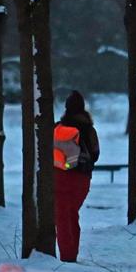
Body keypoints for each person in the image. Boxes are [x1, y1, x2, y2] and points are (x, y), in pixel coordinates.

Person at [53, 91, 100, 262]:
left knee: (62, 216)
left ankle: (67, 255)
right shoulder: (88, 129)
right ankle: (71, 254)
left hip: (59, 175)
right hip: (81, 178)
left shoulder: (57, 127)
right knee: (72, 214)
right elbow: (95, 153)